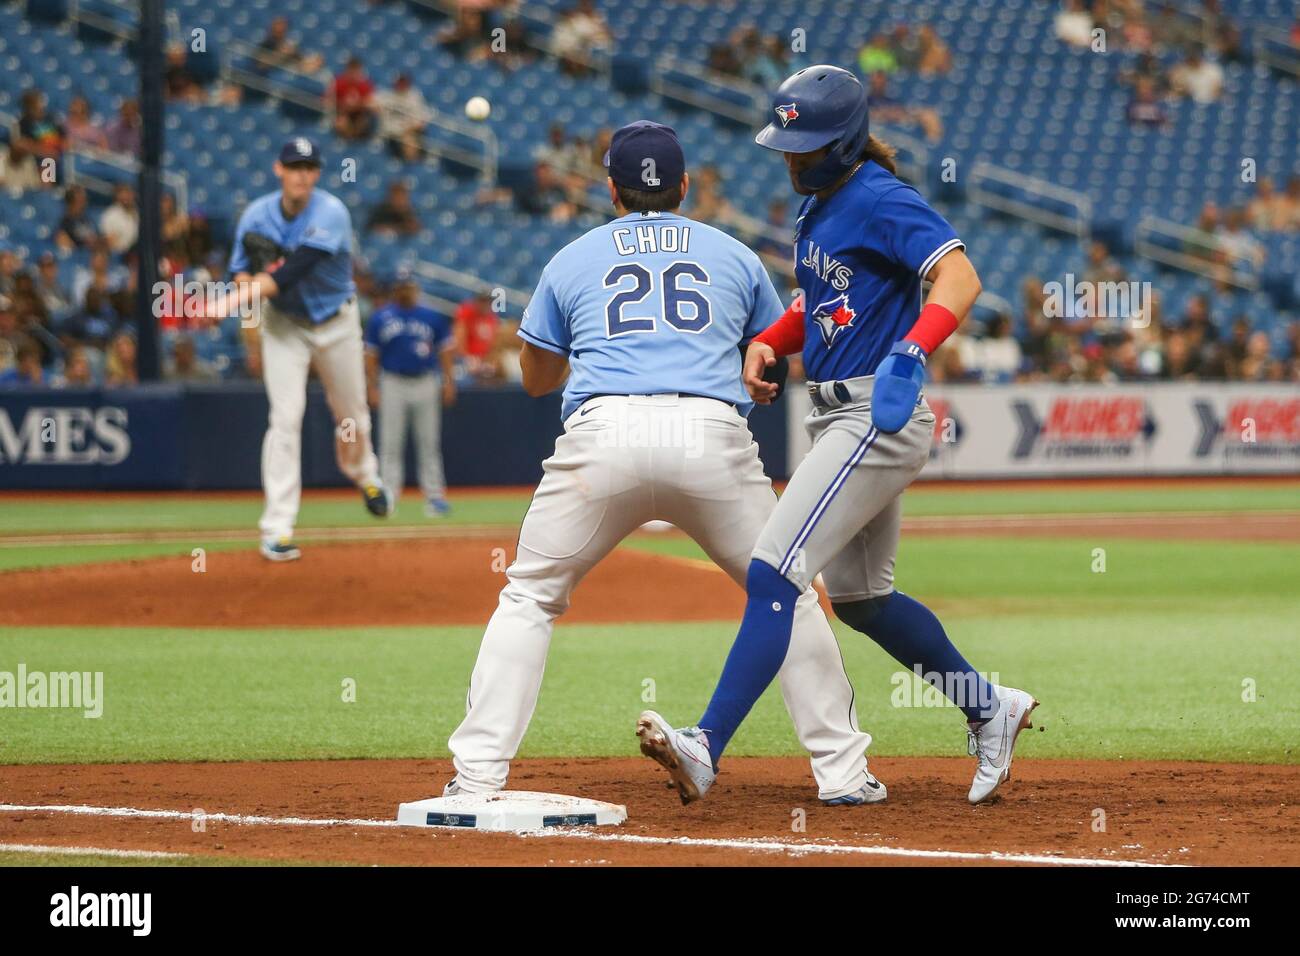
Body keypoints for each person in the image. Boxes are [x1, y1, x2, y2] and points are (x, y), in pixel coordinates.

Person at [445, 120, 884, 806]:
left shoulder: (574, 256)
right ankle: (844, 775)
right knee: (788, 592)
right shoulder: (733, 254)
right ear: (685, 187)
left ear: (611, 191)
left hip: (604, 438)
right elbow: (771, 354)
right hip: (710, 436)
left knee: (529, 596)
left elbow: (535, 378)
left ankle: (476, 777)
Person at [637, 67, 1038, 807]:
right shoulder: (820, 205)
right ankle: (989, 707)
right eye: (785, 145)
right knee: (860, 599)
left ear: (845, 140)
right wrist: (772, 339)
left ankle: (704, 746)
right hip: (835, 410)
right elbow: (824, 301)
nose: (792, 158)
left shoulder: (881, 197)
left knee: (773, 570)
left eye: (806, 145)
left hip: (873, 417)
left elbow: (960, 281)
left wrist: (914, 350)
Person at [200, 137, 390, 562]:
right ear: (279, 170)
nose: (302, 173)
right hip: (284, 326)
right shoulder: (256, 216)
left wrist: (225, 305)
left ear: (317, 174)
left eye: (309, 167)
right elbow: (242, 276)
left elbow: (290, 273)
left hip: (336, 322)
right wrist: (239, 292)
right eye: (294, 166)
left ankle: (365, 474)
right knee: (285, 419)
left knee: (352, 416)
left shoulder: (330, 212)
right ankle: (277, 529)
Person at [364, 270, 457, 516]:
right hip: (393, 380)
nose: (406, 290)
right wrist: (372, 386)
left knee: (429, 442)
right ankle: (389, 496)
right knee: (390, 442)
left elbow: (445, 350)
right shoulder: (380, 317)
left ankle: (435, 497)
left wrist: (448, 381)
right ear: (395, 289)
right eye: (401, 286)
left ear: (415, 288)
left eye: (409, 286)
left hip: (425, 380)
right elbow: (371, 354)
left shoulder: (431, 316)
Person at [100, 183, 139, 254]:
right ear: (117, 196)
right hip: (120, 255)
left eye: (128, 193)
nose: (126, 197)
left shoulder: (138, 214)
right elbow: (110, 243)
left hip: (137, 253)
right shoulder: (110, 215)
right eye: (122, 194)